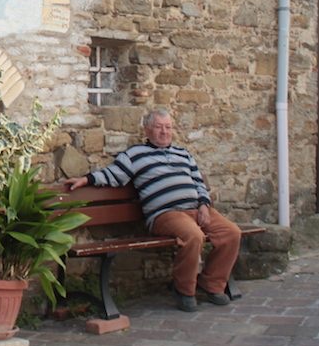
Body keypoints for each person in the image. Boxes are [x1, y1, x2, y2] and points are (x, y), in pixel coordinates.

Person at [67, 108, 240, 312]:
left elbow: (199, 183)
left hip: (197, 208)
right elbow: (113, 174)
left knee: (232, 233)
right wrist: (86, 179)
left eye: (167, 127)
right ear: (147, 130)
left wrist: (204, 204)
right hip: (166, 213)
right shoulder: (135, 154)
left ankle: (211, 283)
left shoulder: (183, 154)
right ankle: (184, 290)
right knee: (194, 236)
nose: (164, 132)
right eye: (158, 127)